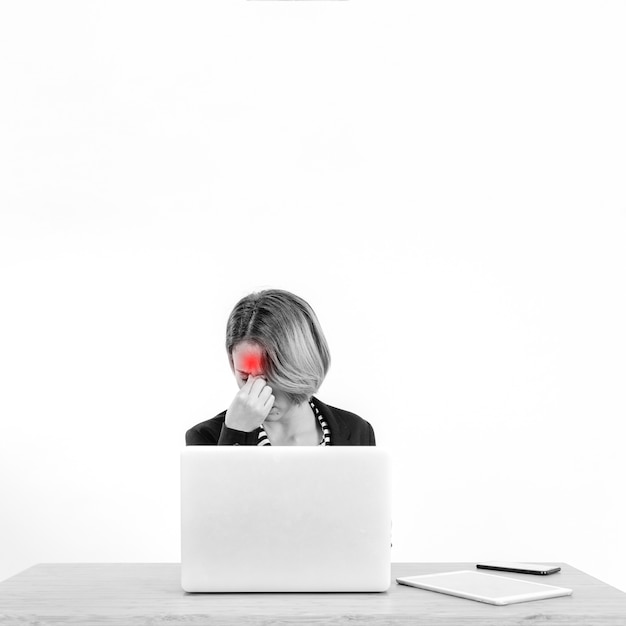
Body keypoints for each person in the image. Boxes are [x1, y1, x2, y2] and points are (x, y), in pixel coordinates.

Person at [186, 289, 376, 446]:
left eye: (272, 377)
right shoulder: (206, 439)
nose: (258, 393)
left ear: (302, 366)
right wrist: (235, 434)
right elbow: (220, 492)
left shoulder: (357, 432)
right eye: (245, 377)